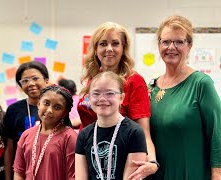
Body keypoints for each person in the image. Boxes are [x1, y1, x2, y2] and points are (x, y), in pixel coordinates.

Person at [77, 22, 158, 178]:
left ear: (123, 48)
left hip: (120, 157)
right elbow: (88, 117)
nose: (109, 49)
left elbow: (143, 131)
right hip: (87, 151)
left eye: (115, 43)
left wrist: (152, 162)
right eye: (103, 44)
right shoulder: (92, 78)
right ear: (95, 49)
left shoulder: (134, 81)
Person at [148, 15, 221, 180]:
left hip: (191, 173)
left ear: (189, 46)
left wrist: (217, 174)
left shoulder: (201, 84)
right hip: (157, 174)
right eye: (166, 42)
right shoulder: (151, 87)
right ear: (159, 45)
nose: (171, 47)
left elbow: (218, 132)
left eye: (179, 42)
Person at [75, 71, 147, 180]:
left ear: (122, 98)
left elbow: (132, 177)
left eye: (110, 93)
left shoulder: (134, 132)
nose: (102, 99)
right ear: (89, 97)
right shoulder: (84, 135)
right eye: (96, 93)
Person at [13, 85, 77, 180]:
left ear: (64, 113)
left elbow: (73, 176)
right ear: (38, 104)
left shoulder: (70, 137)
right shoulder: (26, 135)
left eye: (57, 107)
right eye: (46, 103)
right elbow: (19, 172)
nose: (49, 110)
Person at [3, 61, 49, 180]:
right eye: (25, 81)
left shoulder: (57, 108)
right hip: (21, 173)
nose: (31, 84)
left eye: (35, 78)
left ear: (46, 80)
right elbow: (9, 148)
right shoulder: (14, 110)